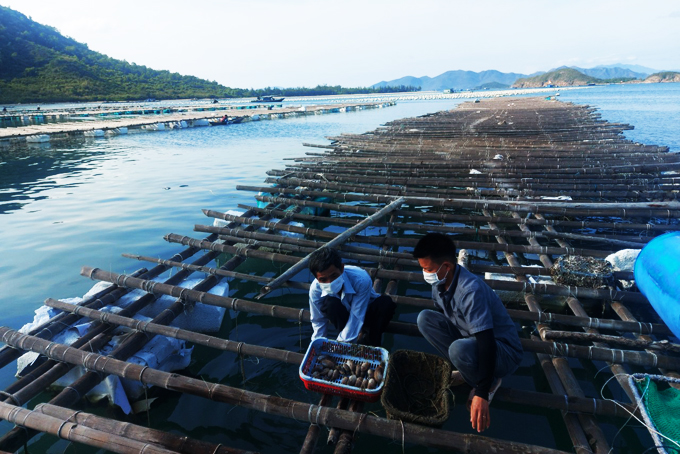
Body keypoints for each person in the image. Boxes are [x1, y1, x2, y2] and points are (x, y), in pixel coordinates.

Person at [413, 233, 523, 433]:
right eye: (422, 268)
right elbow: (445, 319)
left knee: (458, 349)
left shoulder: (470, 291)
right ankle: (468, 371)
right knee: (424, 319)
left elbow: (487, 343)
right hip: (471, 339)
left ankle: (490, 382)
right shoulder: (438, 284)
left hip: (503, 351)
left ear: (446, 266)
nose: (425, 273)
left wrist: (481, 392)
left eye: (427, 269)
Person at [308, 247, 396, 346]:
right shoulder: (315, 289)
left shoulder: (361, 279)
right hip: (343, 317)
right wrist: (317, 345)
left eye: (334, 276)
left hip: (366, 312)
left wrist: (339, 345)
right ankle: (347, 340)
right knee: (331, 305)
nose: (330, 282)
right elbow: (318, 320)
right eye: (323, 280)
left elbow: (356, 317)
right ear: (316, 278)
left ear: (341, 268)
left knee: (385, 303)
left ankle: (370, 342)